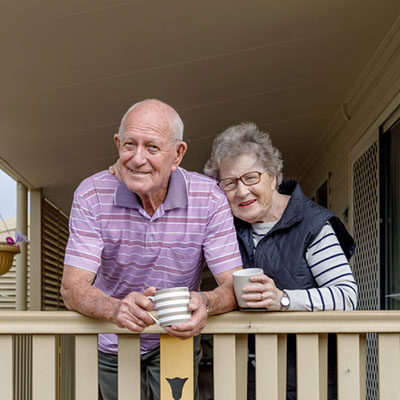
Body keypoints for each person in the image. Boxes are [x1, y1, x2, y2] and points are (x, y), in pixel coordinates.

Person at [61, 99, 243, 400]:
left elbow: (233, 285)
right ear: (118, 144)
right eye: (129, 144)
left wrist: (206, 303)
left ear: (178, 154)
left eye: (152, 147)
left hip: (177, 338)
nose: (137, 159)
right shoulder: (91, 194)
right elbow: (72, 288)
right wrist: (115, 308)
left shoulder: (208, 197)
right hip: (114, 340)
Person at [203, 122, 357, 400]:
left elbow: (346, 296)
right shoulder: (228, 230)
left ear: (272, 177)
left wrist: (283, 300)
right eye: (230, 183)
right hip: (252, 378)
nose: (241, 191)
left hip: (313, 378)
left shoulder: (312, 224)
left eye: (251, 178)